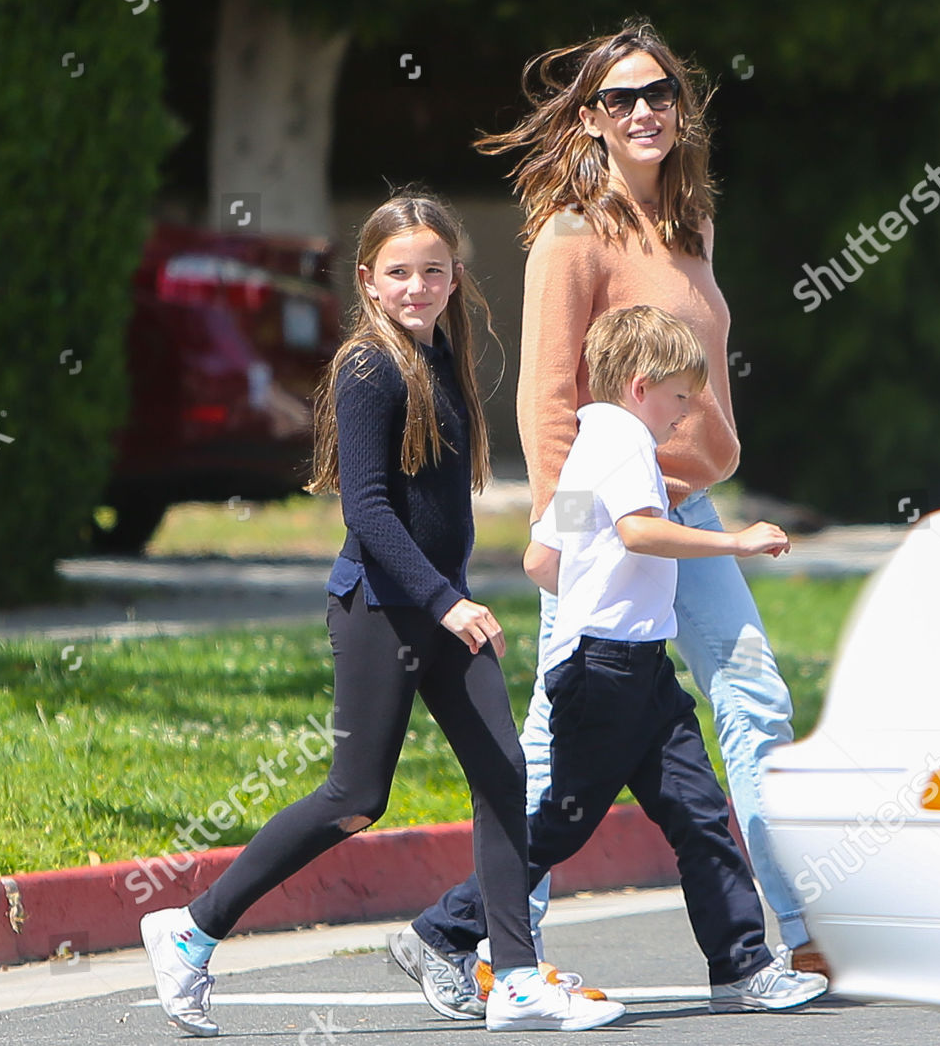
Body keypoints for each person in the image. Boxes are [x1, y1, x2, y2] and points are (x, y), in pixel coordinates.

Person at [138, 193, 624, 1036]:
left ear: (454, 277)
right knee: (354, 798)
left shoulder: (442, 355)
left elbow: (439, 508)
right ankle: (190, 927)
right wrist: (448, 601)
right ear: (367, 279)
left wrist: (456, 593)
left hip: (439, 610)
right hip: (381, 612)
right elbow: (365, 509)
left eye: (433, 271)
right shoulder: (368, 368)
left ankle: (510, 973)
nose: (417, 286)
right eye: (399, 272)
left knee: (504, 774)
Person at [482, 20, 827, 978]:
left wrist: (714, 453)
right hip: (605, 524)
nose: (645, 111)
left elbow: (703, 372)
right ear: (590, 118)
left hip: (691, 511)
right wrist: (567, 534)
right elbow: (548, 400)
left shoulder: (691, 224)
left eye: (660, 92)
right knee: (557, 730)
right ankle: (494, 943)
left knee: (753, 691)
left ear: (682, 105)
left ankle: (799, 932)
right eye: (621, 98)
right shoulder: (570, 237)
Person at [398, 305, 828, 1015]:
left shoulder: (588, 444)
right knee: (560, 825)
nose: (684, 416)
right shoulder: (627, 442)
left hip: (637, 669)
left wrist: (595, 588)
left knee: (696, 810)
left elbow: (542, 561)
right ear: (639, 385)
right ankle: (442, 932)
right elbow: (637, 531)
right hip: (605, 672)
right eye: (679, 397)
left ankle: (742, 966)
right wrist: (737, 542)